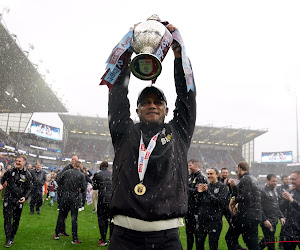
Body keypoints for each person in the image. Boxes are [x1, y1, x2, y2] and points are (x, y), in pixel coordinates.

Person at [107, 23, 196, 250]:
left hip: (167, 239)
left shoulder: (178, 133)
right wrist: (126, 51)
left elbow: (187, 96)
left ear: (167, 110)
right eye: (145, 102)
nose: (152, 106)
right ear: (137, 110)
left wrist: (178, 55)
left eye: (158, 102)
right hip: (123, 237)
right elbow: (117, 94)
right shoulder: (124, 132)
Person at [225, 161, 262, 250]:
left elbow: (245, 197)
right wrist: (234, 187)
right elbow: (251, 197)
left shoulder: (244, 179)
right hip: (255, 215)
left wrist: (234, 200)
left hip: (245, 216)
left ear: (239, 168)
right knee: (251, 242)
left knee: (230, 237)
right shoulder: (254, 179)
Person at [0, 155, 33, 248]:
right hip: (8, 199)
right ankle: (7, 239)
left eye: (19, 161)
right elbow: (3, 179)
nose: (17, 162)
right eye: (17, 161)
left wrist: (25, 197)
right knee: (7, 219)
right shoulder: (10, 171)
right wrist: (1, 184)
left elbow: (29, 188)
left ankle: (11, 236)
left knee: (16, 220)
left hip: (19, 200)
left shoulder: (27, 174)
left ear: (24, 162)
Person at [54, 160, 86, 244]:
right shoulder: (81, 175)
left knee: (61, 216)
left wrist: (64, 187)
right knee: (74, 218)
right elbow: (83, 188)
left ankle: (56, 234)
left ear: (74, 165)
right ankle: (74, 238)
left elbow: (59, 180)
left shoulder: (67, 172)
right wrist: (79, 189)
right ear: (80, 166)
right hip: (74, 198)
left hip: (65, 196)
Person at [195, 168, 228, 250]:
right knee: (199, 245)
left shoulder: (222, 187)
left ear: (217, 175)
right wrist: (199, 193)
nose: (209, 176)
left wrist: (207, 192)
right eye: (208, 174)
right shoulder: (206, 186)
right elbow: (198, 203)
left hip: (214, 221)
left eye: (211, 174)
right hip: (202, 220)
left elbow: (220, 202)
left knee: (213, 245)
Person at [259, 174, 285, 250]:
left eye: (276, 181)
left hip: (274, 221)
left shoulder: (275, 190)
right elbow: (259, 207)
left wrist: (281, 216)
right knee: (271, 243)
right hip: (267, 221)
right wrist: (265, 220)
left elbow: (276, 206)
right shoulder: (262, 191)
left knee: (267, 241)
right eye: (273, 181)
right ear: (267, 180)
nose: (275, 183)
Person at [185, 159, 207, 250]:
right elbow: (193, 191)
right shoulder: (190, 176)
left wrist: (187, 189)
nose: (189, 167)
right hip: (189, 210)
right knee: (189, 235)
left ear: (196, 165)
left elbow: (200, 193)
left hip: (197, 211)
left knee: (198, 236)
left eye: (190, 165)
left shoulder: (201, 177)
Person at [93, 161, 113, 246]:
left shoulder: (97, 174)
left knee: (102, 219)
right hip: (111, 199)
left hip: (102, 198)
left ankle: (103, 239)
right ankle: (111, 238)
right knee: (111, 220)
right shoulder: (112, 174)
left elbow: (95, 187)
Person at [281, 170, 300, 249]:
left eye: (294, 179)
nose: (291, 181)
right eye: (290, 179)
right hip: (289, 230)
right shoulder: (290, 191)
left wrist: (291, 200)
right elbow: (281, 208)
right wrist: (284, 200)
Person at [276, 175, 290, 248]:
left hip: (289, 210)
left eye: (288, 179)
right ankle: (281, 244)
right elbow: (278, 199)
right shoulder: (279, 188)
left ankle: (283, 243)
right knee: (284, 226)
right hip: (282, 210)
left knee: (286, 227)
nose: (287, 180)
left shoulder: (290, 188)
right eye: (286, 179)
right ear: (282, 180)